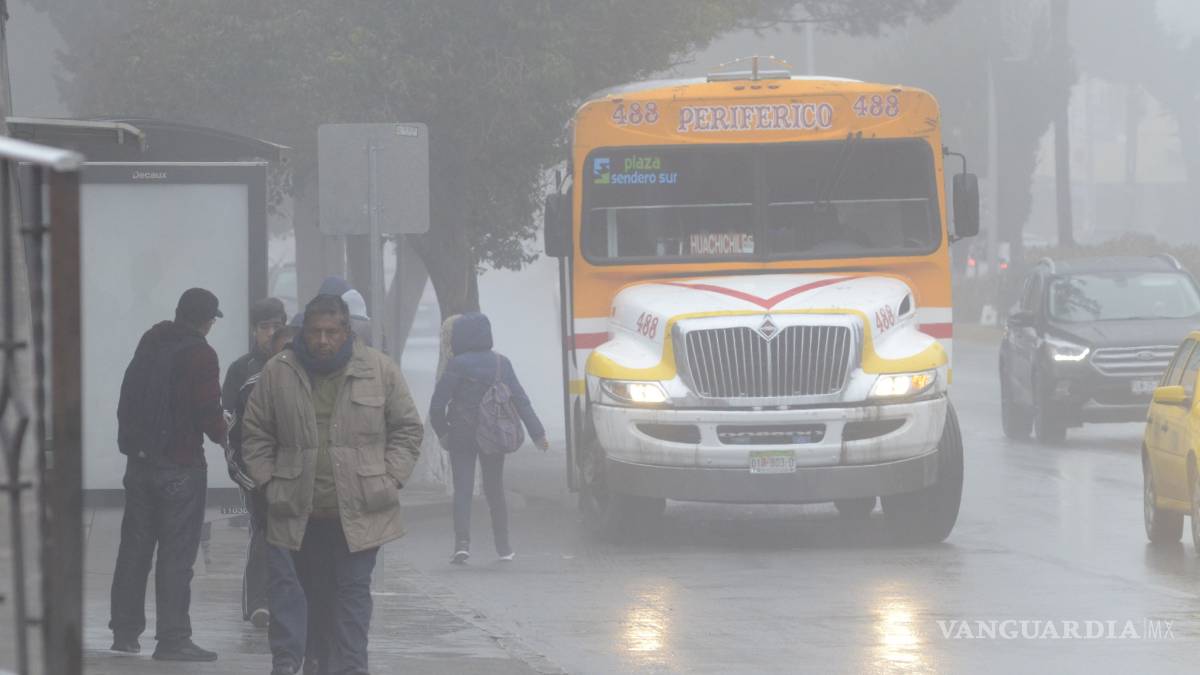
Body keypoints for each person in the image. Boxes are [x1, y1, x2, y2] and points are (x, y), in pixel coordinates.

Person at [242, 294, 423, 675]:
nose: (322, 340)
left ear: (346, 331)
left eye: (331, 332)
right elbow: (255, 432)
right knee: (296, 594)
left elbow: (407, 428)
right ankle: (292, 662)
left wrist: (390, 478)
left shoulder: (379, 370)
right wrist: (267, 481)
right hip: (295, 508)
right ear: (302, 333)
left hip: (360, 510)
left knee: (352, 595)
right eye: (314, 332)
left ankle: (352, 666)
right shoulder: (279, 372)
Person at [109, 287, 227, 662]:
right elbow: (208, 411)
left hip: (141, 465)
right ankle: (173, 639)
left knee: (134, 550)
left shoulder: (151, 340)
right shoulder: (201, 354)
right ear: (208, 321)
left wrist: (132, 445)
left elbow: (128, 393)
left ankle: (125, 633)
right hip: (180, 466)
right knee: (177, 555)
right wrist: (229, 438)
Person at [429, 312, 549, 565]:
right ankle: (503, 547)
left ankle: (462, 545)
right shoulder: (501, 363)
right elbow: (520, 400)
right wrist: (538, 434)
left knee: (462, 490)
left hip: (461, 435)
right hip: (494, 434)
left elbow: (437, 405)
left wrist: (443, 434)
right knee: (495, 490)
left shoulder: (456, 364)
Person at [225, 314, 293, 629]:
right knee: (264, 529)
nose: (271, 333)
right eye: (265, 327)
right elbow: (230, 425)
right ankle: (258, 602)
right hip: (254, 468)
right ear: (254, 330)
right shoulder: (243, 370)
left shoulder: (297, 368)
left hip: (292, 469)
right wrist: (240, 467)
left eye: (277, 327)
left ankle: (284, 597)